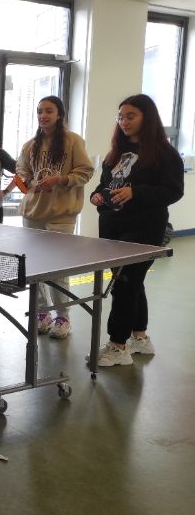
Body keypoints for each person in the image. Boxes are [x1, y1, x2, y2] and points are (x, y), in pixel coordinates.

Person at [89, 94, 184, 367]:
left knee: (123, 286)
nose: (124, 121)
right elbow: (104, 184)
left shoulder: (164, 154)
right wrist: (96, 196)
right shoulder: (116, 152)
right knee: (132, 282)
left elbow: (174, 191)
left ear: (147, 117)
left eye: (131, 116)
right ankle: (140, 337)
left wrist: (136, 192)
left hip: (144, 230)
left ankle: (118, 345)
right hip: (113, 229)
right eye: (120, 116)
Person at [16, 95, 94, 339]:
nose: (43, 116)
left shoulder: (73, 142)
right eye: (39, 111)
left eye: (48, 111)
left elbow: (85, 171)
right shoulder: (30, 145)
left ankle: (63, 317)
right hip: (33, 214)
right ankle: (42, 312)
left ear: (59, 114)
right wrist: (28, 181)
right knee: (34, 266)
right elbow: (21, 171)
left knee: (58, 269)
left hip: (61, 216)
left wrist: (60, 179)